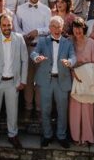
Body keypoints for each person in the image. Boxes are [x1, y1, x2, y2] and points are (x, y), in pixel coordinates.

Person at [0, 13, 27, 149]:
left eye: (9, 25)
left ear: (12, 24)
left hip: (13, 82)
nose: (7, 27)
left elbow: (25, 60)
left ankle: (13, 135)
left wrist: (23, 80)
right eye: (4, 25)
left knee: (13, 111)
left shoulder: (19, 38)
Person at [31, 15, 75, 147]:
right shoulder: (43, 41)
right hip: (46, 81)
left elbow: (73, 56)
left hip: (62, 80)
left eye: (59, 27)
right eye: (54, 26)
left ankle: (62, 136)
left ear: (62, 28)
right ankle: (47, 135)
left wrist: (70, 62)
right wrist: (37, 57)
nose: (56, 29)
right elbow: (34, 53)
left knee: (62, 110)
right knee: (45, 110)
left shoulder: (67, 42)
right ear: (50, 28)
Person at [15, 0, 52, 121]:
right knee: (28, 79)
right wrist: (23, 36)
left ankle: (39, 108)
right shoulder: (20, 9)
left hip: (41, 47)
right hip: (27, 47)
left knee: (41, 80)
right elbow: (17, 27)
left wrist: (38, 31)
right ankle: (28, 107)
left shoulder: (46, 10)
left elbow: (49, 28)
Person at [68, 16, 94, 145]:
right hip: (74, 79)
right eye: (75, 28)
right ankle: (76, 137)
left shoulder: (91, 42)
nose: (77, 30)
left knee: (87, 109)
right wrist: (74, 71)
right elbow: (67, 61)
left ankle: (87, 137)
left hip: (88, 79)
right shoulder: (69, 42)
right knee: (75, 110)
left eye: (80, 27)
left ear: (84, 28)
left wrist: (88, 76)